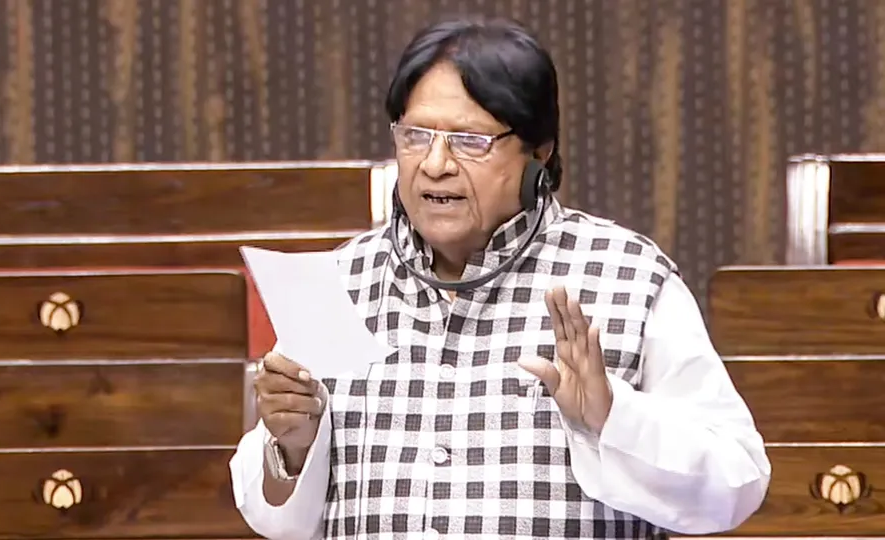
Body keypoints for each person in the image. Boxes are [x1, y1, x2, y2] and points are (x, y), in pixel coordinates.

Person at [230, 17, 770, 540]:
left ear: (540, 152)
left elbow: (737, 485)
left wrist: (612, 418)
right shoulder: (336, 282)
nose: (435, 164)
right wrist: (293, 447)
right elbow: (275, 518)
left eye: (469, 140)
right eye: (416, 136)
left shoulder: (629, 277)